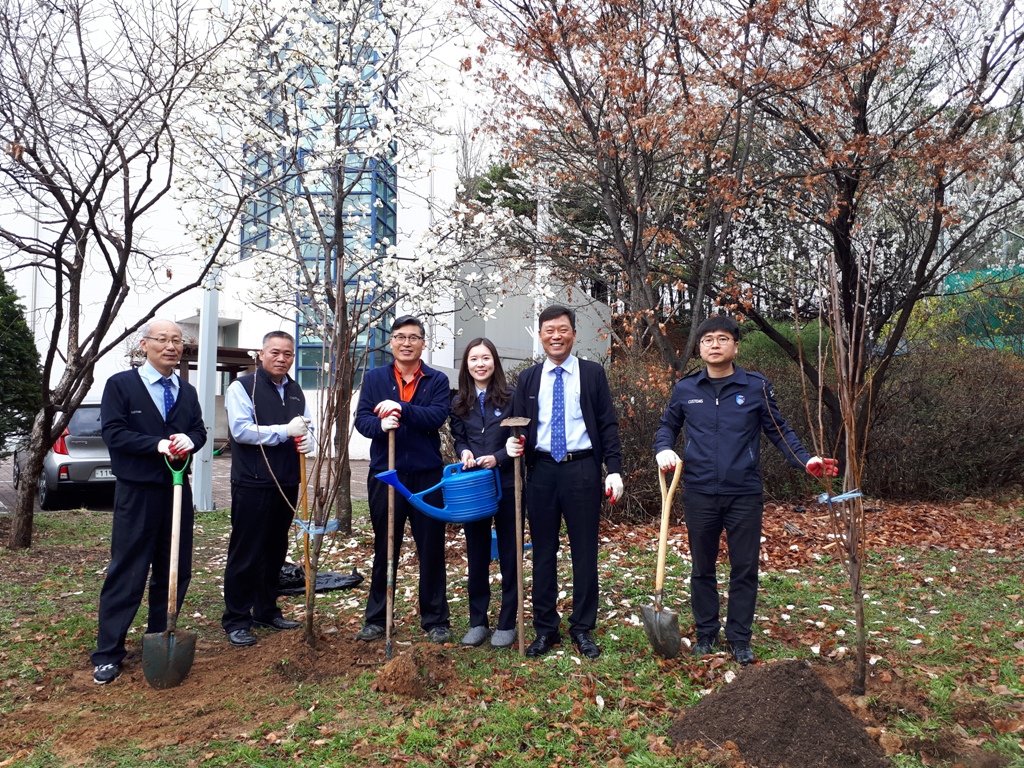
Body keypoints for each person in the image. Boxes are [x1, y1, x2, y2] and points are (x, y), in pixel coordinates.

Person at [653, 315, 838, 665]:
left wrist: (805, 460)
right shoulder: (686, 389)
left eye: (723, 338)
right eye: (708, 340)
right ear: (700, 348)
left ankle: (739, 638)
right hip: (699, 492)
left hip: (744, 493)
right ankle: (706, 633)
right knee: (702, 567)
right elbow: (667, 426)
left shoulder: (755, 386)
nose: (715, 345)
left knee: (744, 568)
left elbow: (779, 429)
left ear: (735, 346)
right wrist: (663, 448)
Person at [90, 319, 207, 684]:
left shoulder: (186, 391)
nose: (171, 346)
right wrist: (156, 445)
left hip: (177, 490)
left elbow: (199, 430)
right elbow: (114, 432)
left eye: (177, 341)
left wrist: (192, 440)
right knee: (128, 570)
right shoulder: (122, 385)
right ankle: (108, 652)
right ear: (144, 345)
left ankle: (159, 637)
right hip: (137, 491)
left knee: (175, 568)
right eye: (163, 339)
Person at [506, 305, 623, 659]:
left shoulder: (592, 374)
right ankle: (546, 629)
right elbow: (519, 423)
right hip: (541, 471)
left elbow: (607, 423)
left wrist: (613, 468)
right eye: (549, 330)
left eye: (562, 329)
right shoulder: (528, 378)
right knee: (543, 551)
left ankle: (582, 627)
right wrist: (512, 443)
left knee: (584, 551)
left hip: (581, 469)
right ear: (540, 335)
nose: (556, 336)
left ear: (573, 333)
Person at [353, 315, 452, 644]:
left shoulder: (436, 380)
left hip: (426, 477)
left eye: (413, 337)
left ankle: (435, 619)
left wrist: (401, 408)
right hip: (386, 474)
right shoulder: (375, 378)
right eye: (400, 337)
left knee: (431, 548)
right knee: (386, 546)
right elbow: (362, 419)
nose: (406, 343)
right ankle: (378, 618)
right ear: (391, 342)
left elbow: (436, 416)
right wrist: (380, 426)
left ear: (423, 343)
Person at [221, 331, 314, 647]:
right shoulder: (242, 387)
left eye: (288, 354)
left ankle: (266, 610)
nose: (281, 358)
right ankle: (236, 619)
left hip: (286, 481)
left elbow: (306, 424)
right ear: (261, 354)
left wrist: (308, 439)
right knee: (246, 551)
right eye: (275, 352)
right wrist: (284, 431)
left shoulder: (295, 390)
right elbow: (241, 430)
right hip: (253, 481)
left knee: (275, 550)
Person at [449, 338, 520, 648]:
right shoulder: (459, 402)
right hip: (474, 488)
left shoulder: (511, 398)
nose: (480, 364)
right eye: (474, 359)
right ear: (467, 365)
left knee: (509, 553)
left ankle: (507, 622)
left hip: (507, 484)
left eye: (486, 358)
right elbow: (459, 438)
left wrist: (499, 457)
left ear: (495, 362)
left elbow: (521, 437)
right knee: (476, 554)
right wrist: (464, 452)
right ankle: (478, 621)